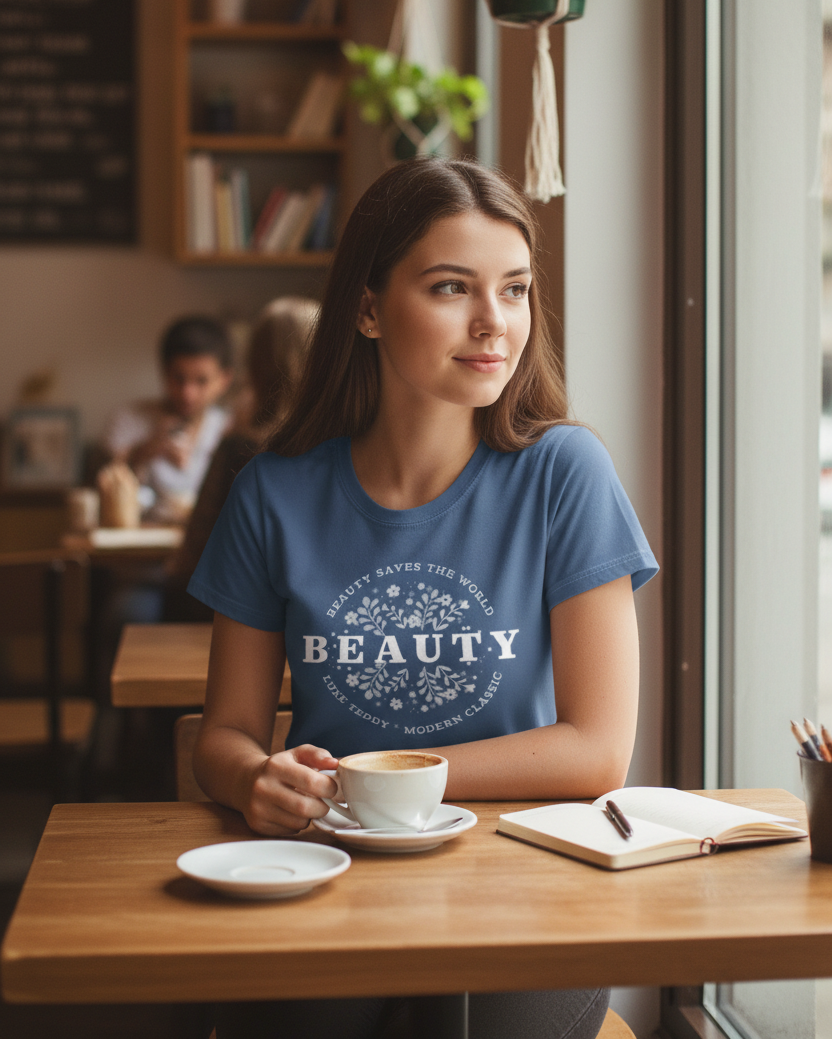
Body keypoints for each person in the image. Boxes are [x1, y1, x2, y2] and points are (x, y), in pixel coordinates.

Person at [187, 157, 659, 1039]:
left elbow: (597, 753)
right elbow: (225, 734)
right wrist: (256, 779)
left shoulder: (566, 473)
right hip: (323, 865)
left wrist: (368, 784)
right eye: (453, 288)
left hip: (528, 868)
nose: (495, 323)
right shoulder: (274, 494)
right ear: (367, 308)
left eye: (515, 290)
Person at [165, 297, 319, 620]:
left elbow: (195, 554)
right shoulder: (344, 448)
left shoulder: (240, 449)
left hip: (235, 621)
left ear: (255, 367)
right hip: (316, 621)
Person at [103, 316, 233, 522]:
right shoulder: (127, 419)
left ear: (224, 380)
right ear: (164, 372)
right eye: (179, 378)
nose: (187, 393)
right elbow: (103, 485)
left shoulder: (230, 429)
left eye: (201, 381)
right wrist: (145, 450)